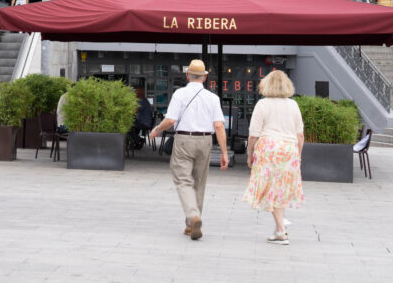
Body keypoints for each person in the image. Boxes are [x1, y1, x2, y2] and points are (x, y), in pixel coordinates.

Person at [148, 59, 228, 240]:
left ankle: (193, 217)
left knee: (183, 180)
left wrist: (156, 130)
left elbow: (170, 120)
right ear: (205, 78)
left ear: (187, 75)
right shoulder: (213, 98)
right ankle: (191, 224)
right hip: (205, 141)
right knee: (199, 182)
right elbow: (219, 126)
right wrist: (223, 152)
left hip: (184, 140)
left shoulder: (180, 94)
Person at [242, 70, 305, 245]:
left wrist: (250, 155)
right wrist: (298, 155)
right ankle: (279, 228)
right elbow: (300, 134)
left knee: (271, 189)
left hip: (268, 149)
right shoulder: (293, 105)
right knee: (281, 189)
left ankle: (281, 231)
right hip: (289, 149)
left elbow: (253, 134)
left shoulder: (262, 105)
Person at [129, 86, 154, 151]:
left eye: (136, 92)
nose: (134, 93)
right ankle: (136, 142)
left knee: (128, 127)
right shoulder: (143, 100)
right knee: (133, 125)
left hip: (144, 123)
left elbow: (134, 111)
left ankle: (139, 140)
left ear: (139, 93)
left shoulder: (142, 101)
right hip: (143, 122)